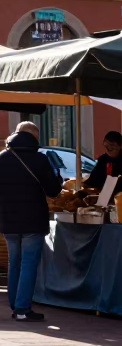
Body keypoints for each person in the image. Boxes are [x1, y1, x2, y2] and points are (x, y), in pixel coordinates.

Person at [0, 121, 61, 322]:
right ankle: (22, 308)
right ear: (35, 137)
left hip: (8, 219)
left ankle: (15, 304)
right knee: (28, 263)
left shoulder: (2, 158)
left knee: (14, 262)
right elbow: (53, 190)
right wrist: (57, 176)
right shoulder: (40, 159)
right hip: (33, 219)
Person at [84, 130, 122, 195]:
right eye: (106, 146)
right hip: (105, 197)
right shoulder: (103, 159)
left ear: (120, 146)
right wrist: (85, 185)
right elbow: (95, 177)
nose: (109, 148)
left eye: (112, 145)